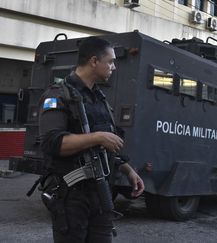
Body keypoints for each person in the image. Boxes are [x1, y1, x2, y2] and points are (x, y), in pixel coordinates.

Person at [38, 36, 145, 242]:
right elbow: (53, 143)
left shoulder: (100, 99)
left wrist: (129, 171)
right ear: (94, 61)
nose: (114, 67)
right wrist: (96, 137)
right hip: (71, 197)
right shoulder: (58, 95)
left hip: (101, 193)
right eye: (110, 61)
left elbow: (106, 147)